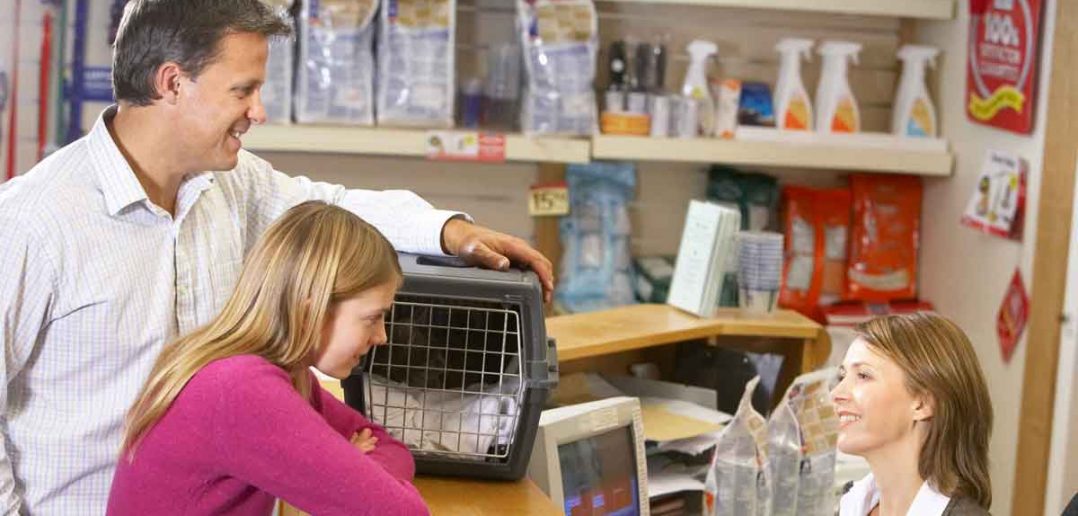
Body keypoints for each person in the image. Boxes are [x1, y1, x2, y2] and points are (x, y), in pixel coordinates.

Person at [0, 0, 551, 512]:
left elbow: (332, 208)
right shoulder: (34, 222)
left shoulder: (232, 186)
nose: (258, 111)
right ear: (172, 83)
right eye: (243, 90)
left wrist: (450, 231)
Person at [107, 201, 425, 515]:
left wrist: (357, 470)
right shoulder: (242, 389)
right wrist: (356, 472)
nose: (381, 336)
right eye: (372, 318)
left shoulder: (278, 375)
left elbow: (389, 448)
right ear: (309, 309)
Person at [832, 312, 993, 516]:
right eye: (842, 376)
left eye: (863, 375)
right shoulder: (849, 506)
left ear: (922, 404)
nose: (836, 393)